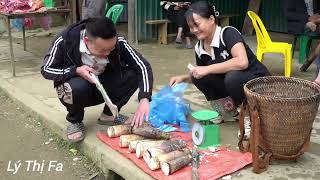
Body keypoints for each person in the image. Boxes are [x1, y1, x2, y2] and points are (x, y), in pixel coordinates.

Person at [41, 17, 153, 143]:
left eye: (111, 49)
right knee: (74, 87)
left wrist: (144, 98)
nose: (107, 53)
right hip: (78, 89)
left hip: (103, 85)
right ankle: (75, 120)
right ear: (86, 40)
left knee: (132, 74)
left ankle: (108, 115)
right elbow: (46, 69)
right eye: (103, 50)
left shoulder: (119, 41)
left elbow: (142, 66)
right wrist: (76, 70)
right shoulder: (65, 40)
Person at [169, 1, 270, 139]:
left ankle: (250, 118)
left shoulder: (228, 33)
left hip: (259, 84)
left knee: (232, 78)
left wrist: (208, 69)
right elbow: (203, 73)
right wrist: (184, 78)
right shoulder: (199, 48)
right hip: (235, 83)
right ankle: (228, 112)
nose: (194, 30)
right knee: (199, 77)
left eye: (197, 24)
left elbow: (242, 62)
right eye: (191, 27)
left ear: (211, 19)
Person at [284, 0, 320, 71]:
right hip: (302, 24)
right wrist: (308, 18)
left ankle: (310, 60)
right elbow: (288, 15)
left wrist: (316, 19)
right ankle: (310, 60)